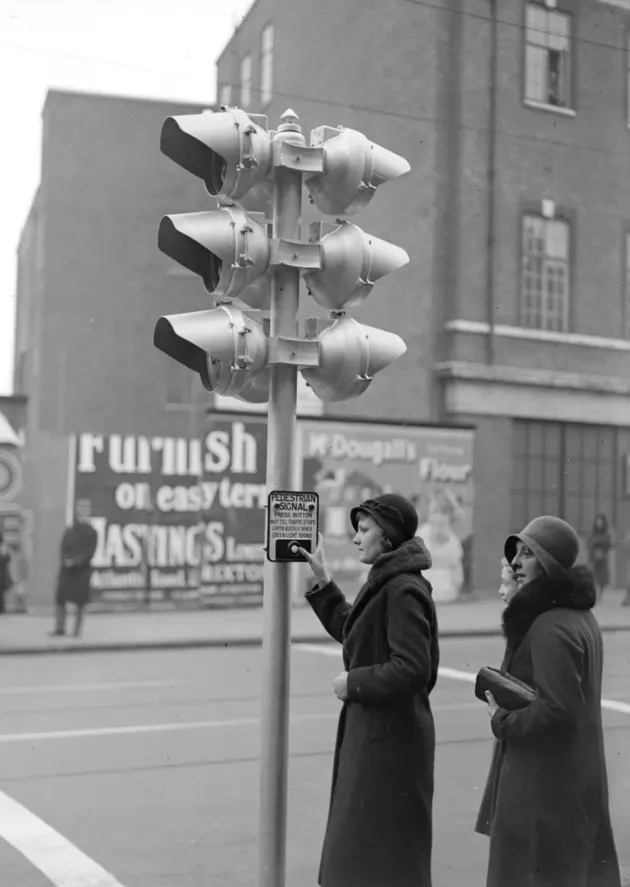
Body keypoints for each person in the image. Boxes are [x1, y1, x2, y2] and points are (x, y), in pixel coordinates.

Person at [299, 493, 439, 887]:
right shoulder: (388, 581)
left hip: (390, 745)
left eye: (363, 530)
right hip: (379, 739)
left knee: (371, 859)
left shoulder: (402, 588)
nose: (356, 538)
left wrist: (352, 683)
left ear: (389, 537)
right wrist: (324, 580)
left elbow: (412, 668)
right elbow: (355, 633)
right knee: (363, 856)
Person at [476, 515, 621, 887]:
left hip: (542, 793)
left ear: (551, 563)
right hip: (571, 785)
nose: (516, 562)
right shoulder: (580, 618)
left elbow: (557, 709)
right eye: (517, 553)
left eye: (529, 554)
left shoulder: (550, 625)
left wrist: (502, 720)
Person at [52, 505, 98, 638]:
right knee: (60, 599)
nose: (82, 517)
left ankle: (76, 631)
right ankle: (59, 628)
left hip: (81, 571)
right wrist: (65, 560)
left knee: (80, 603)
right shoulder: (70, 530)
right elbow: (63, 546)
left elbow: (90, 552)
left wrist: (76, 562)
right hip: (66, 570)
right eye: (80, 514)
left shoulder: (91, 532)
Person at [588, 512, 612, 601]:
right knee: (593, 577)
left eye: (600, 521)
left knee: (602, 578)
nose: (599, 523)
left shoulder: (606, 534)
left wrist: (602, 552)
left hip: (602, 558)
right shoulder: (593, 533)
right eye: (598, 521)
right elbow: (589, 544)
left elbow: (608, 544)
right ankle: (595, 595)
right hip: (593, 558)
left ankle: (599, 596)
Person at [0, 534, 14, 614]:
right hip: (2, 576)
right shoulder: (4, 548)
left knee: (1, 593)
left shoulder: (3, 548)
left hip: (2, 576)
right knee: (1, 593)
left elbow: (8, 558)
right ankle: (2, 609)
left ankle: (2, 609)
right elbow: (8, 558)